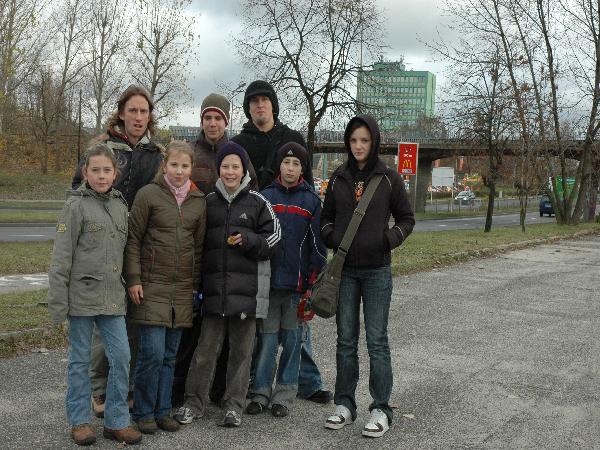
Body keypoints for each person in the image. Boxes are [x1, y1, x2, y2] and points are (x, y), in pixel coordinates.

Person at [72, 85, 164, 418]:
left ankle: (122, 389)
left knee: (132, 323)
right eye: (133, 110)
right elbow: (77, 192)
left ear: (149, 116)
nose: (138, 117)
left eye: (144, 112)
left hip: (139, 247)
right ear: (122, 113)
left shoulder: (157, 154)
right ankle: (99, 389)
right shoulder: (101, 148)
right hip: (103, 245)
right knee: (104, 318)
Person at [174, 142, 281, 428]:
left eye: (236, 166)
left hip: (246, 296)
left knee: (241, 353)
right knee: (205, 351)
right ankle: (193, 402)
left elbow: (273, 239)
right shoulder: (207, 202)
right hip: (213, 293)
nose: (231, 171)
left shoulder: (259, 202)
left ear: (244, 169)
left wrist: (248, 241)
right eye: (225, 166)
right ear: (218, 169)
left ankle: (233, 405)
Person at [321, 114, 415, 438]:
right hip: (345, 272)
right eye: (353, 140)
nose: (358, 146)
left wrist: (386, 240)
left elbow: (407, 219)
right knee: (345, 341)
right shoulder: (338, 178)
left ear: (373, 142)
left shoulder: (389, 178)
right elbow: (325, 220)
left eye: (364, 140)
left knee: (377, 341)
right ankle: (344, 404)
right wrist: (333, 238)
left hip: (377, 272)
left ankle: (381, 408)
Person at [48, 143, 142, 446]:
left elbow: (125, 251)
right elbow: (61, 257)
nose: (101, 176)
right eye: (95, 170)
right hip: (81, 298)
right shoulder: (75, 205)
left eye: (107, 170)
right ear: (85, 172)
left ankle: (116, 421)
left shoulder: (119, 205)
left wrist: (132, 282)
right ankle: (79, 421)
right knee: (79, 361)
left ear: (115, 173)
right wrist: (58, 304)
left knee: (122, 357)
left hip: (112, 297)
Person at [172, 93, 257, 408]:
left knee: (226, 336)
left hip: (232, 255)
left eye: (218, 117)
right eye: (207, 117)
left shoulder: (236, 154)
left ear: (226, 120)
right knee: (195, 335)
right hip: (199, 250)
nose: (212, 122)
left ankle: (226, 395)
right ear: (201, 120)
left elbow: (252, 195)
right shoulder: (190, 154)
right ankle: (182, 393)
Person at [124, 141, 207, 435]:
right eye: (174, 165)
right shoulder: (148, 195)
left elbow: (197, 250)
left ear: (191, 168)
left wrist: (194, 289)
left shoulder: (198, 201)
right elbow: (133, 239)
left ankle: (162, 410)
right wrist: (133, 279)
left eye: (185, 166)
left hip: (181, 291)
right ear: (164, 166)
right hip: (150, 287)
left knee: (171, 356)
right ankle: (143, 411)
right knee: (152, 354)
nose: (179, 171)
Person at [248, 142, 326, 418]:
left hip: (296, 288)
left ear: (302, 168)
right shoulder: (264, 197)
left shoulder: (312, 202)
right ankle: (259, 392)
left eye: (296, 164)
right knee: (267, 342)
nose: (290, 168)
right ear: (279, 165)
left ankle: (284, 394)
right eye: (286, 163)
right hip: (268, 286)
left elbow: (318, 248)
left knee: (293, 343)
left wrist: (311, 283)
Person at [231, 80, 313, 190]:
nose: (260, 105)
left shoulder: (294, 139)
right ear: (248, 109)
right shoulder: (236, 145)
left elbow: (307, 184)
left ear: (273, 105)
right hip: (248, 206)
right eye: (255, 101)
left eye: (264, 99)